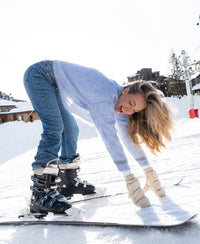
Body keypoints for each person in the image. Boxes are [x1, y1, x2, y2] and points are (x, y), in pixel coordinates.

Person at [23, 60, 174, 216]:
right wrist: (129, 178)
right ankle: (40, 194)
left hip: (55, 84)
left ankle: (67, 182)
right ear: (125, 90)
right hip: (40, 75)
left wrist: (148, 170)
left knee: (71, 130)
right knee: (54, 128)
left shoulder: (121, 103)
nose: (129, 110)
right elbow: (110, 139)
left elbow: (128, 138)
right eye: (131, 103)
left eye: (134, 110)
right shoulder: (104, 97)